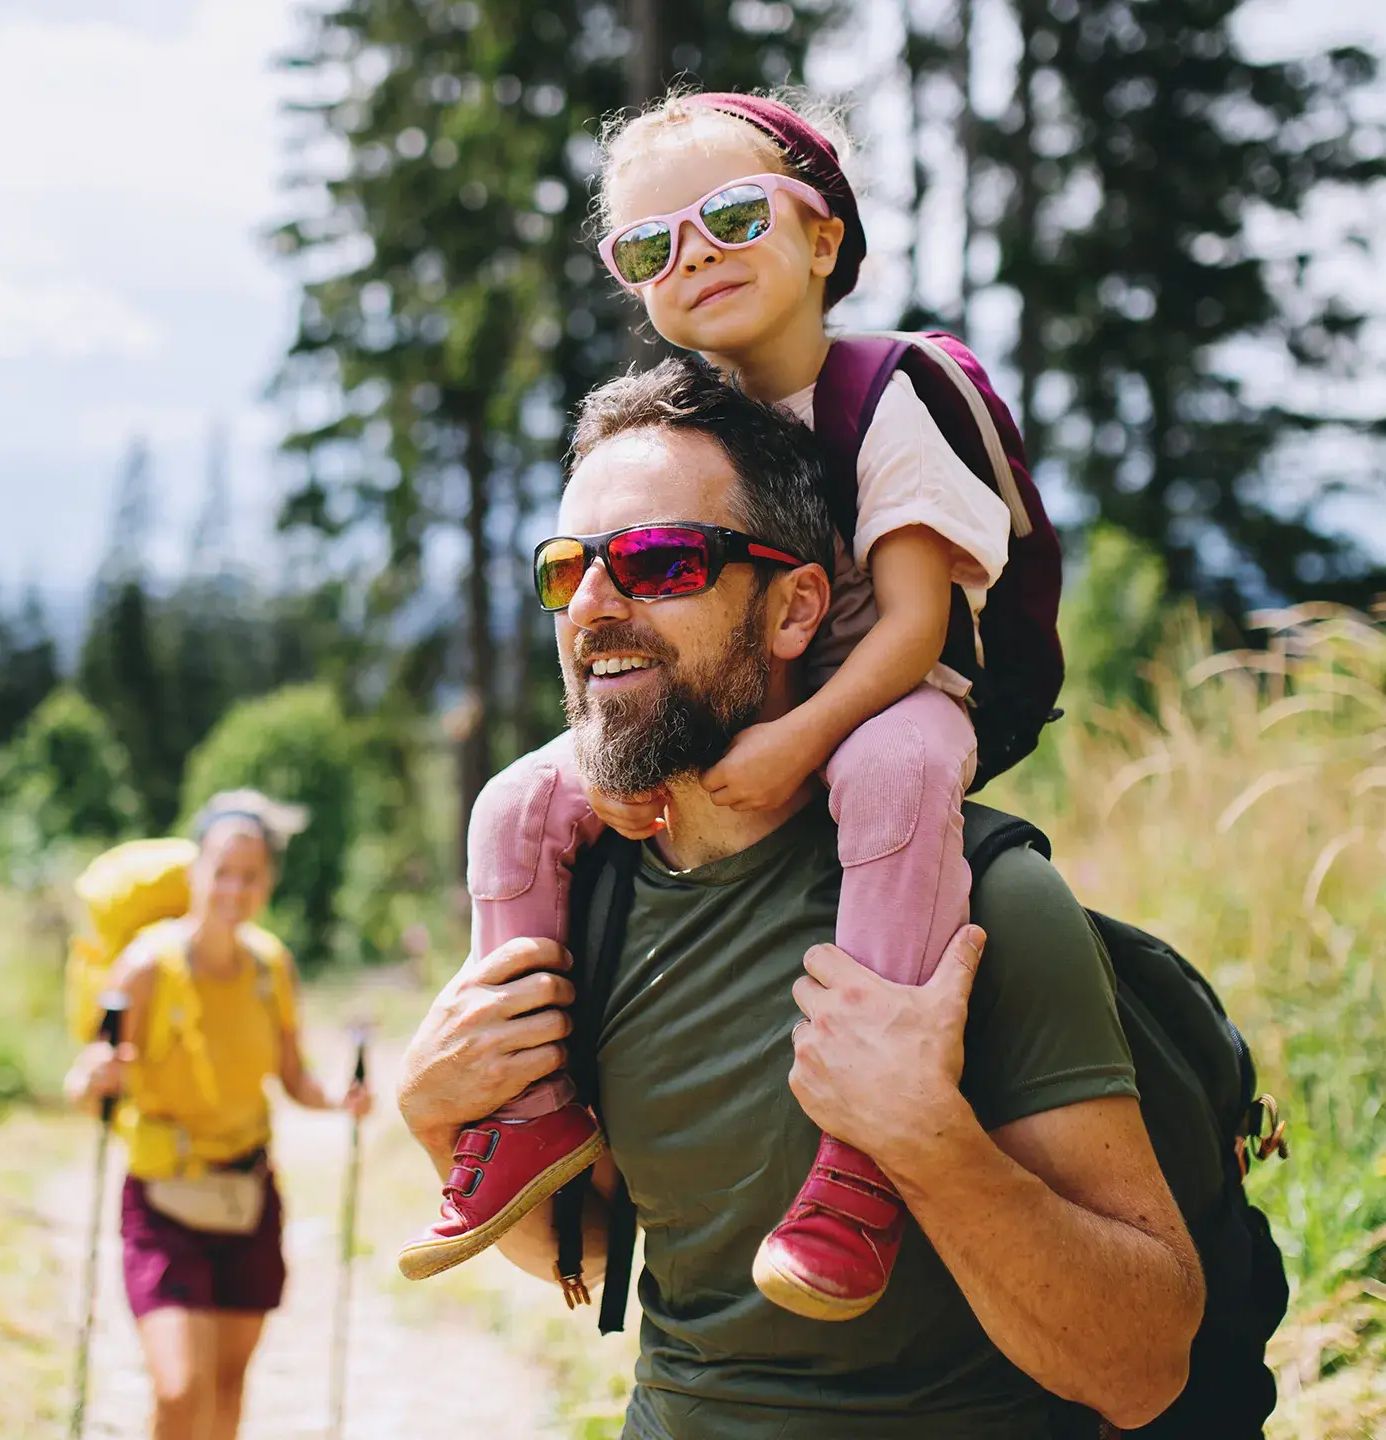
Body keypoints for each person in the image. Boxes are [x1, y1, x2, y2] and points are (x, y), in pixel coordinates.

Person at [398, 359, 1203, 1437]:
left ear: (795, 611)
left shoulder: (988, 908)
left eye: (661, 561)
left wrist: (926, 1141)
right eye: (568, 570)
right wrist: (436, 1119)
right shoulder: (586, 900)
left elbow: (1144, 1366)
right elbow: (596, 1255)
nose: (594, 604)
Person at [400, 87, 1024, 1327]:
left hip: (896, 694)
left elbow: (911, 624)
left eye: (732, 217)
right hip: (763, 700)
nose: (694, 257)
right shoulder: (707, 420)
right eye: (650, 246)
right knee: (518, 800)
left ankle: (863, 1142)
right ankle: (528, 1111)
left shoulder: (887, 395)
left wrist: (797, 738)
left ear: (823, 238)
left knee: (891, 772)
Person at [64, 791, 372, 1440]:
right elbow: (92, 1075)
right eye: (221, 871)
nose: (234, 888)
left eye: (251, 875)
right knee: (181, 1393)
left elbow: (293, 1078)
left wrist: (338, 1100)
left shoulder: (270, 967)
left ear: (268, 882)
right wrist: (92, 1079)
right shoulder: (148, 964)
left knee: (228, 1390)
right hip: (163, 1202)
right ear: (195, 873)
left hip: (248, 1199)